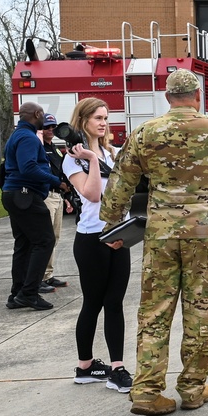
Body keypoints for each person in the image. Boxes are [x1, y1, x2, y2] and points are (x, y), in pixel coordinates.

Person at [99, 69, 208, 416]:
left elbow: (121, 181)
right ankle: (193, 389)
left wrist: (112, 223)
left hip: (160, 235)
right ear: (198, 95)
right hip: (204, 236)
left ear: (167, 98)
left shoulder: (146, 133)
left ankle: (148, 391)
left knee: (154, 312)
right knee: (201, 312)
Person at [62, 97, 134, 394]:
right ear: (83, 121)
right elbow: (92, 195)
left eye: (106, 117)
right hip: (92, 237)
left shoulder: (112, 152)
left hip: (120, 232)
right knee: (93, 302)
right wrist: (91, 159)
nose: (104, 123)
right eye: (97, 118)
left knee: (115, 302)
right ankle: (85, 366)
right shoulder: (73, 158)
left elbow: (124, 191)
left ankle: (116, 367)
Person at [1, 102, 59, 311]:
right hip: (25, 195)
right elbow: (28, 168)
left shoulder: (17, 135)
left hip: (14, 195)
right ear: (36, 114)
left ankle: (17, 293)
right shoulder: (27, 137)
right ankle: (29, 294)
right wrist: (55, 181)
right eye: (42, 115)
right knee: (45, 240)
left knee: (24, 244)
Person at [40, 114, 70, 293]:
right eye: (46, 127)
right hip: (46, 196)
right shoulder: (38, 147)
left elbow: (61, 172)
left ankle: (48, 275)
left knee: (55, 237)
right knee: (45, 238)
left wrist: (66, 197)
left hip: (58, 196)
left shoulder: (56, 148)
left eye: (53, 127)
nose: (50, 130)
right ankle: (39, 277)